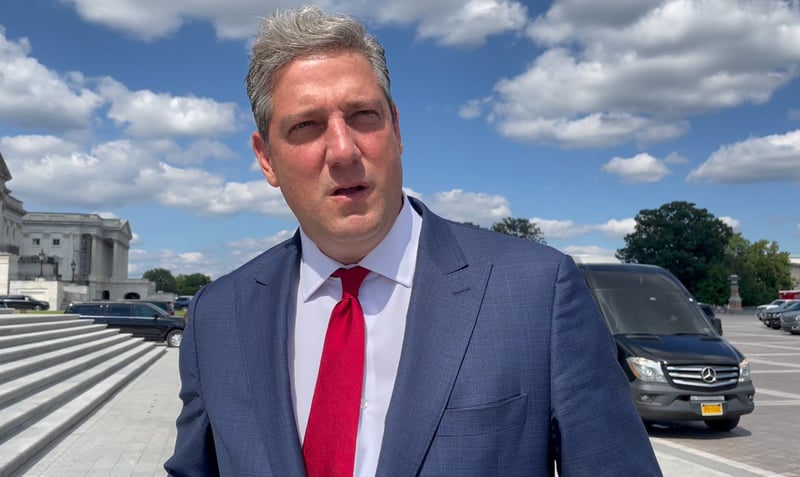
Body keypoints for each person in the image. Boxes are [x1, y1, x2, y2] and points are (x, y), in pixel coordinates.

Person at [165, 5, 662, 476]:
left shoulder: (536, 293)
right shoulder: (219, 315)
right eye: (306, 126)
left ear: (396, 128)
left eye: (363, 115)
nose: (343, 150)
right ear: (266, 158)